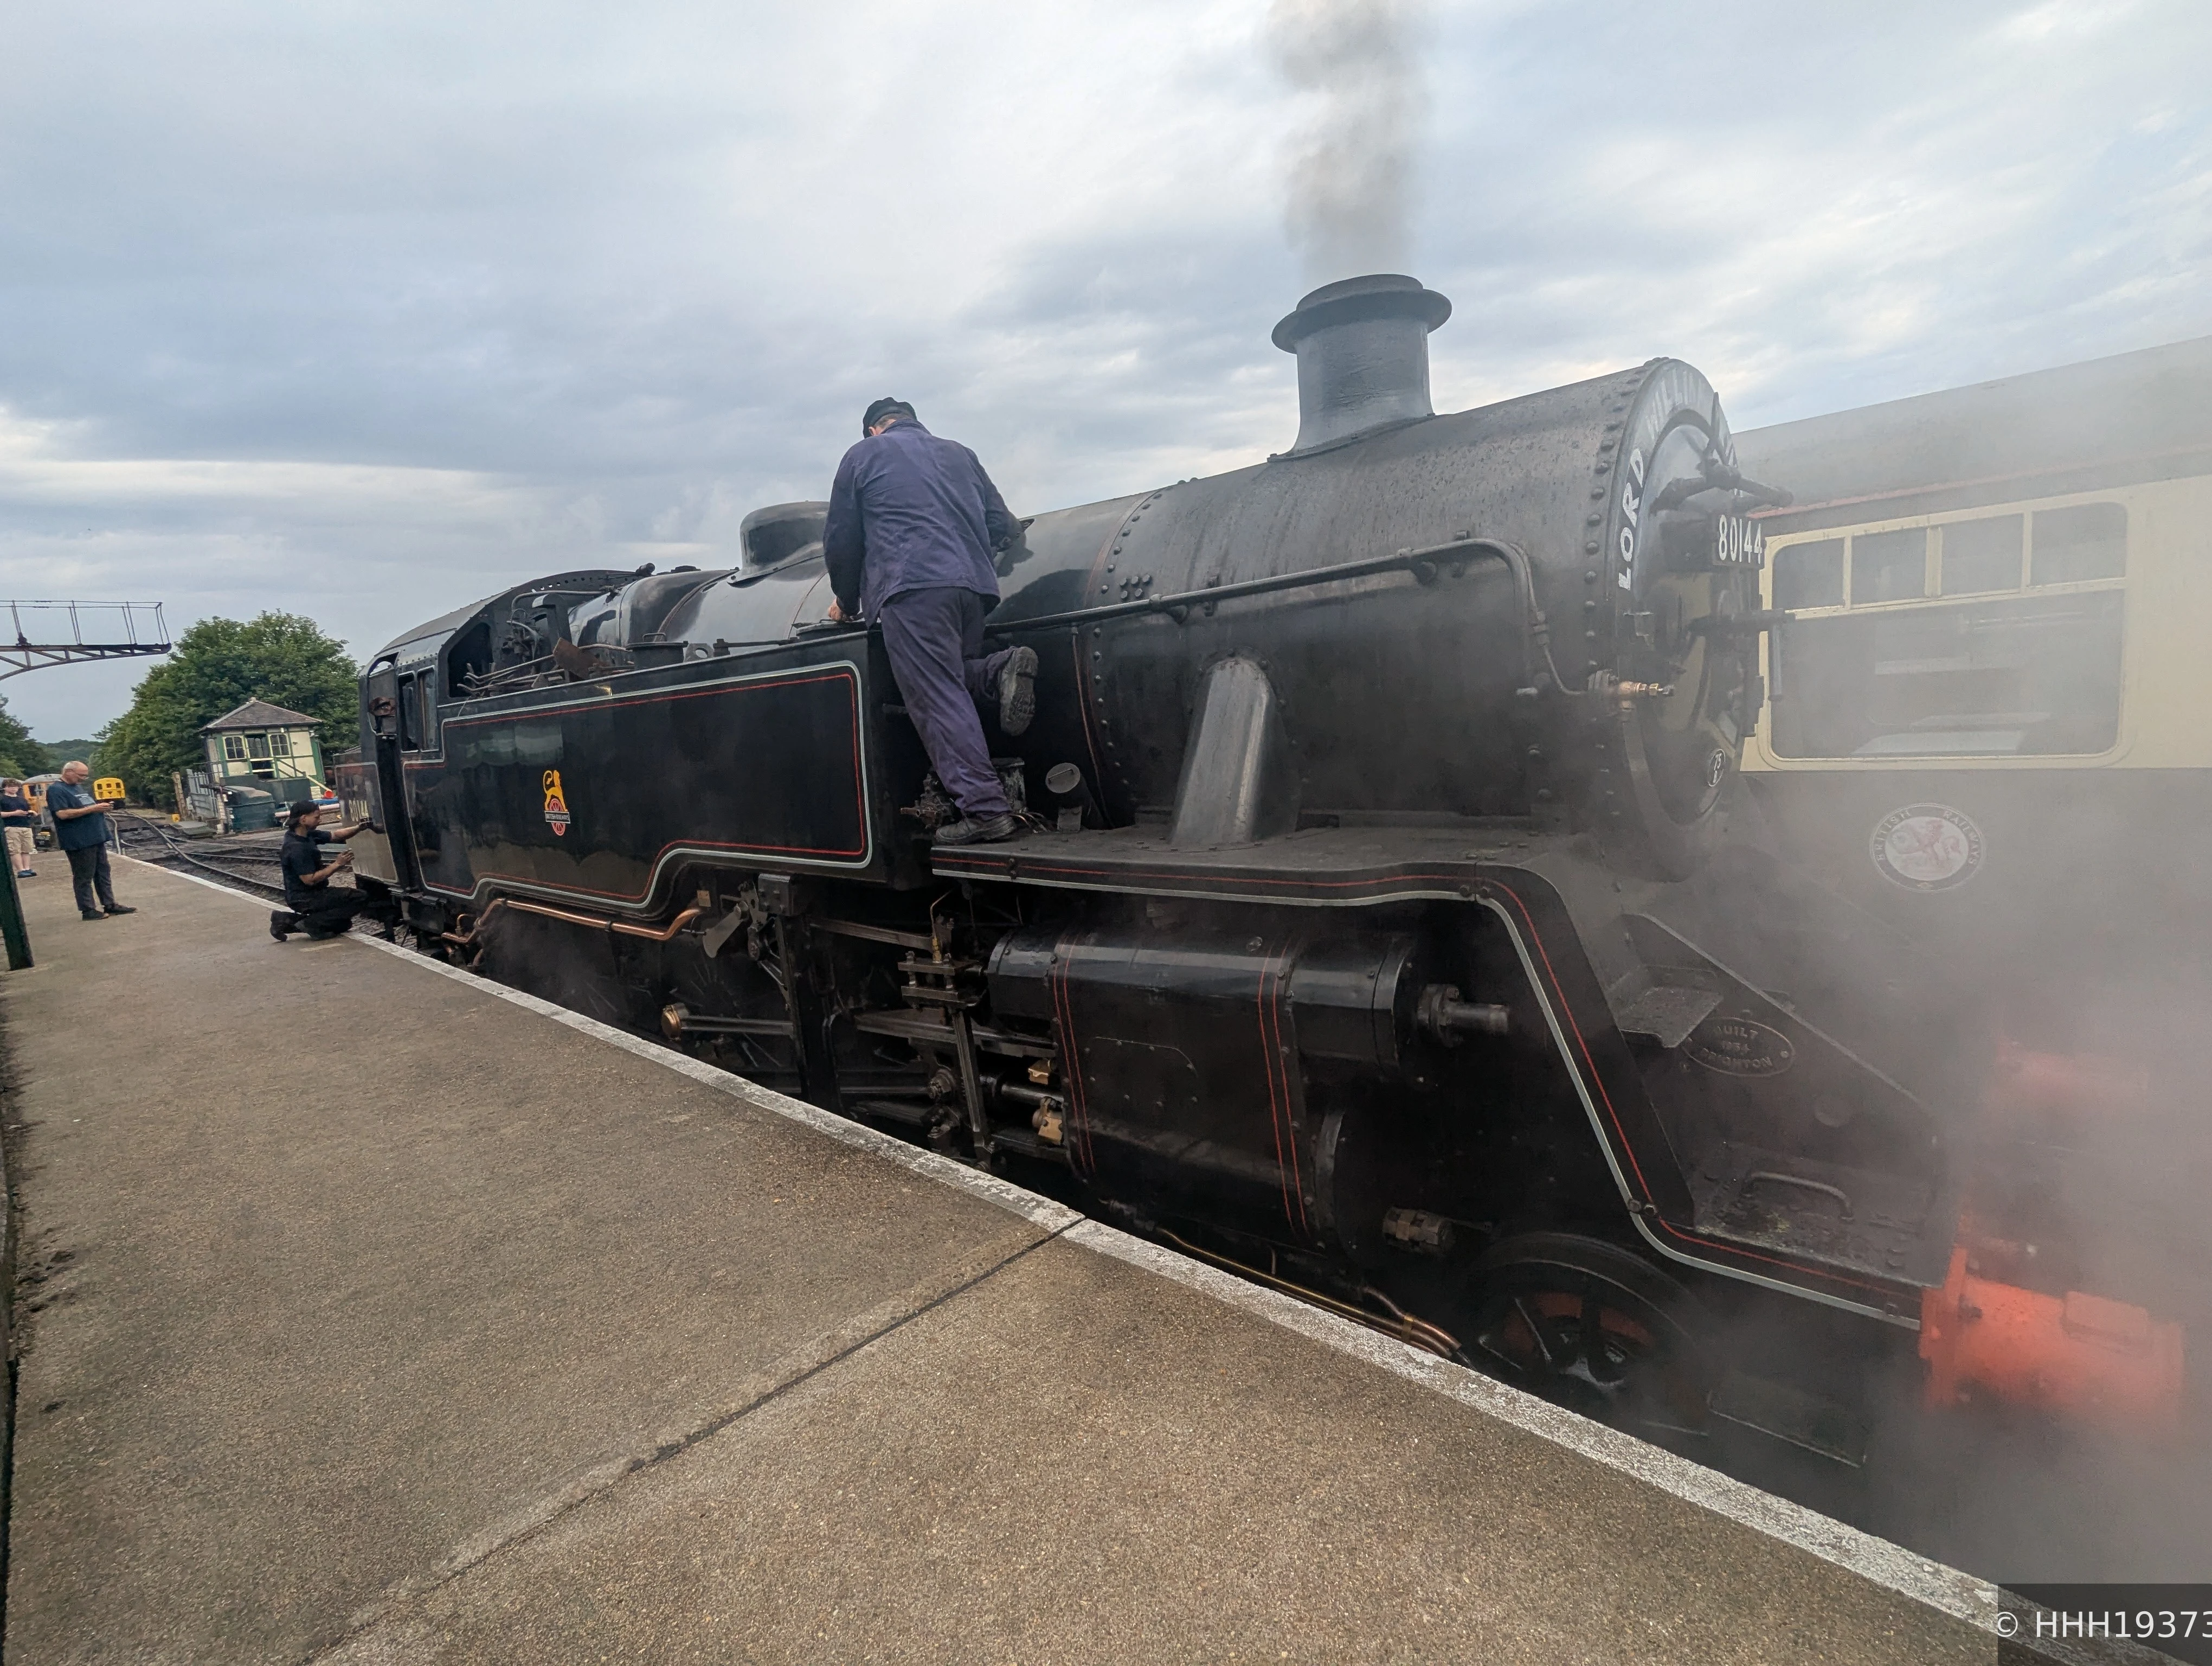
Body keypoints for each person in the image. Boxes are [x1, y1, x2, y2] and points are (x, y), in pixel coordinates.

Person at [824, 397, 1036, 847]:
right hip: (975, 589)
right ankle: (999, 670)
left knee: (935, 695)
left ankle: (985, 811)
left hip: (913, 587)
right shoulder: (960, 452)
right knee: (951, 679)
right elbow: (1004, 524)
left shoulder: (863, 455)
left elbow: (842, 539)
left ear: (874, 430)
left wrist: (846, 600)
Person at [271, 801, 378, 940]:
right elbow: (309, 880)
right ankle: (310, 924)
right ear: (303, 819)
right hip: (305, 897)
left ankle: (285, 920)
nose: (320, 820)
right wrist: (338, 864)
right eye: (316, 817)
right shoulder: (296, 848)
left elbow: (336, 836)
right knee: (359, 897)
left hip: (312, 893)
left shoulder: (305, 834)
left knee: (343, 924)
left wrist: (359, 828)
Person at [47, 761, 133, 922]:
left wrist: (102, 807)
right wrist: (93, 809)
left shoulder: (77, 787)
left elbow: (87, 806)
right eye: (81, 776)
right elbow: (63, 814)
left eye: (85, 776)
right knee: (84, 876)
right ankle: (88, 910)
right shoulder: (56, 790)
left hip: (96, 837)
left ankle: (110, 904)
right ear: (68, 772)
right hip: (79, 840)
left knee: (103, 873)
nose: (83, 779)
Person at [1, 779, 36, 877]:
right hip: (11, 827)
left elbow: (27, 810)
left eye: (15, 786)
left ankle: (27, 868)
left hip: (25, 826)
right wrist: (13, 813)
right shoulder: (2, 799)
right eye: (10, 786)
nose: (13, 788)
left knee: (27, 849)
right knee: (15, 850)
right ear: (5, 787)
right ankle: (20, 870)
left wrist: (31, 812)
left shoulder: (23, 799)